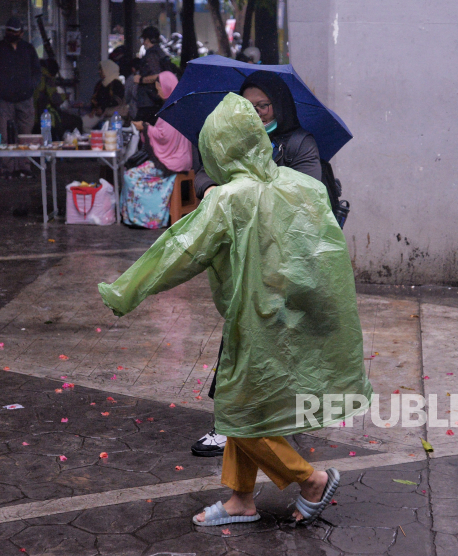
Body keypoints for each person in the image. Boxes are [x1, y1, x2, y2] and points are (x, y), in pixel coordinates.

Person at [98, 93, 373, 526]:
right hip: (298, 313)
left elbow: (178, 252)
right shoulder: (300, 185)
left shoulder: (227, 198)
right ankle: (241, 499)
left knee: (240, 409)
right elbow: (324, 251)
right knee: (249, 404)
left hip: (256, 320)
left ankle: (310, 479)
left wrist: (125, 291)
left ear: (218, 147)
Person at [190, 70, 324, 458]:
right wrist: (211, 187)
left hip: (286, 259)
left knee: (280, 337)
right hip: (241, 257)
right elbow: (202, 173)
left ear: (278, 106)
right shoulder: (229, 141)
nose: (256, 113)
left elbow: (310, 197)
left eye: (263, 105)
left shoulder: (299, 143)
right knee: (239, 333)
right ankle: (224, 424)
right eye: (247, 106)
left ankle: (274, 420)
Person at [120, 71, 193, 228]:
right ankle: (142, 216)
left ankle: (144, 219)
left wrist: (144, 127)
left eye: (159, 87)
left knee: (130, 176)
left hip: (173, 161)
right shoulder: (177, 105)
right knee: (133, 171)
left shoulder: (172, 109)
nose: (157, 91)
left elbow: (164, 136)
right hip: (180, 158)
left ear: (166, 87)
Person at [0, 17, 41, 180]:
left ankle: (24, 168)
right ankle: (7, 169)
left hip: (25, 98)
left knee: (25, 135)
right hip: (4, 99)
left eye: (15, 32)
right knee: (5, 135)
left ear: (21, 33)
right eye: (9, 31)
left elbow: (37, 72)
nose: (12, 34)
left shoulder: (29, 49)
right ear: (5, 31)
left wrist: (31, 85)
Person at [133, 26, 167, 125]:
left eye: (144, 39)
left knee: (140, 128)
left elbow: (158, 76)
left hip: (150, 101)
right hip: (154, 101)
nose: (143, 43)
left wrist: (141, 80)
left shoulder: (152, 55)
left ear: (148, 40)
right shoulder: (160, 53)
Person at [81, 59, 126, 131]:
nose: (99, 72)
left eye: (101, 70)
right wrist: (94, 109)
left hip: (113, 114)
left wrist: (102, 108)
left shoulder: (116, 84)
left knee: (111, 132)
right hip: (99, 114)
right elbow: (95, 99)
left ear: (108, 70)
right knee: (81, 124)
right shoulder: (100, 84)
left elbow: (117, 100)